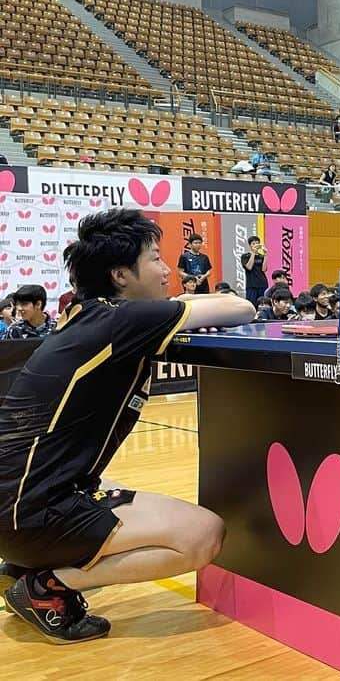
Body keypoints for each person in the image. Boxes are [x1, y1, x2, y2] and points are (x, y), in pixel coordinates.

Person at [0, 208, 254, 643]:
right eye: (155, 258)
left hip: (17, 507)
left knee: (113, 485)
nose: (165, 269)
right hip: (28, 514)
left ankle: (28, 563)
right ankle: (48, 587)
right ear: (120, 274)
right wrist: (184, 303)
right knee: (202, 535)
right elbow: (241, 306)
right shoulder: (120, 319)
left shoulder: (86, 316)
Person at [240, 236, 268, 307]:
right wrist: (253, 253)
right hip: (251, 285)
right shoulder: (245, 256)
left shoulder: (261, 256)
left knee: (262, 304)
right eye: (253, 244)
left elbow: (264, 269)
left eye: (257, 243)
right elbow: (249, 267)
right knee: (251, 305)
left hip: (262, 283)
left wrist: (265, 255)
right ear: (250, 245)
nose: (255, 245)